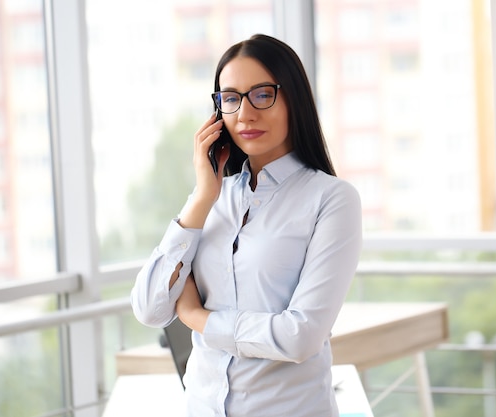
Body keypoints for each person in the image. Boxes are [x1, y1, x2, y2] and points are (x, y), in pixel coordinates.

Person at [131, 34, 362, 417]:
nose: (244, 114)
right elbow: (149, 309)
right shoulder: (213, 198)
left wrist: (196, 318)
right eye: (231, 98)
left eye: (261, 94)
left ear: (293, 99)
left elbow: (301, 336)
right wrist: (203, 196)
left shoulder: (332, 199)